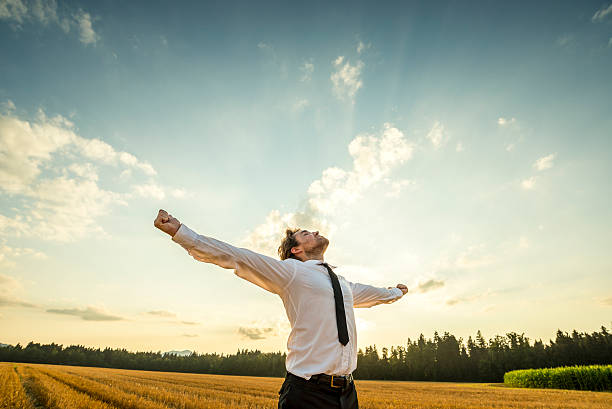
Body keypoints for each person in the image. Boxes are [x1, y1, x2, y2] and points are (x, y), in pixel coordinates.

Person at [154, 209, 408, 409]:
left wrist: (396, 292)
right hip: (308, 394)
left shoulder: (343, 285)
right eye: (306, 233)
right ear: (296, 249)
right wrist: (180, 232)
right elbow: (238, 257)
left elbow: (375, 294)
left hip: (347, 394)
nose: (315, 231)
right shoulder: (291, 272)